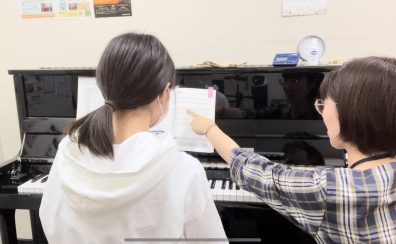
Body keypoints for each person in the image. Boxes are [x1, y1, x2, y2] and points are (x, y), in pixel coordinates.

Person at [39, 33, 226, 243]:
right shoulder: (183, 169)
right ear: (164, 93)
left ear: (103, 87)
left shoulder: (67, 150)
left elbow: (49, 218)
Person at [188, 56, 396, 243]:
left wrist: (209, 128)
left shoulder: (330, 188)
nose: (321, 113)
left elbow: (254, 170)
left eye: (324, 105)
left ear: (350, 113)